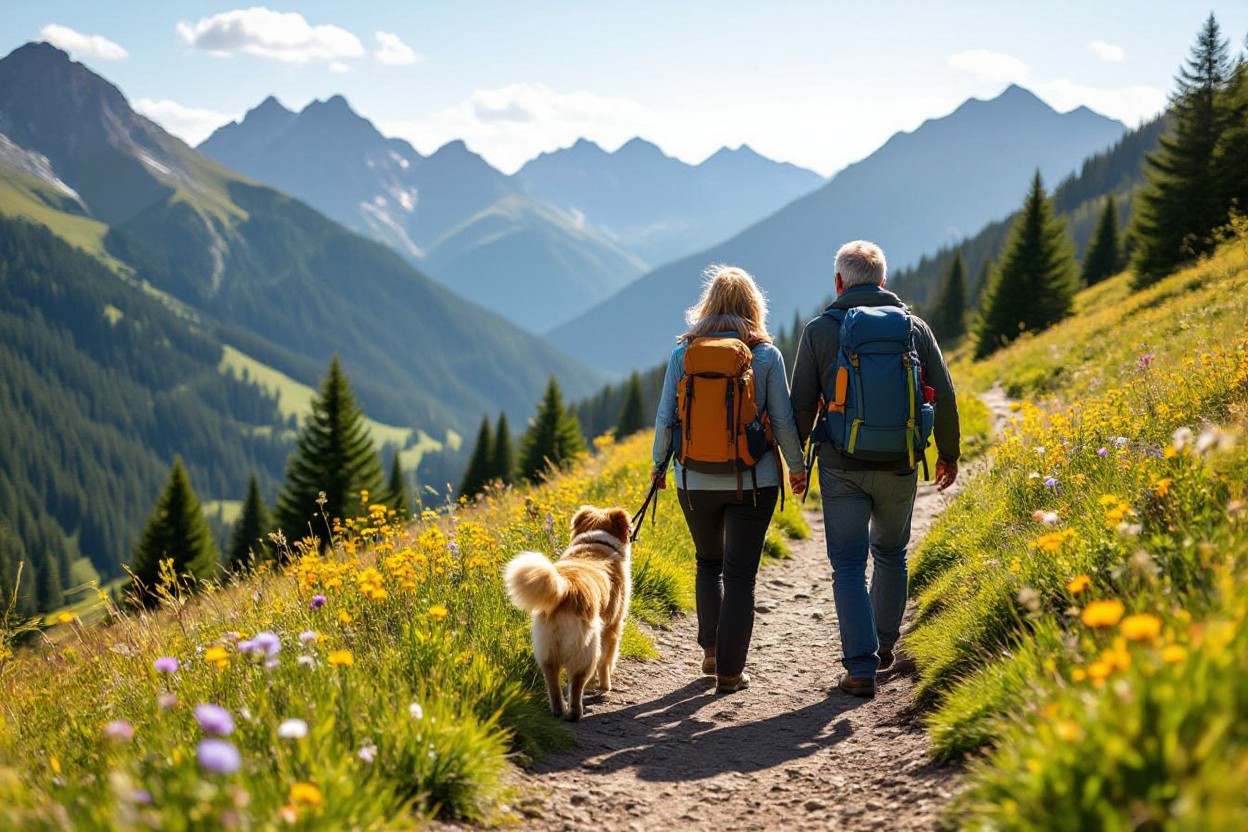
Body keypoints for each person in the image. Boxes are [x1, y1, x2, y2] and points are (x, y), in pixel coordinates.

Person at [790, 240, 960, 698]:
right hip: (901, 462)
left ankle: (860, 667)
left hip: (841, 464)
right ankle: (885, 647)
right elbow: (942, 392)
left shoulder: (820, 330)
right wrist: (949, 453)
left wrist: (796, 461)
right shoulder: (914, 328)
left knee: (847, 563)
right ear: (883, 281)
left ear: (839, 282)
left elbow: (801, 403)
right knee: (891, 553)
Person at [651, 265, 806, 694]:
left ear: (708, 305)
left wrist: (659, 466)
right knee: (740, 575)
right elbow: (783, 420)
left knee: (707, 562)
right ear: (754, 306)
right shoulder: (766, 355)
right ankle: (731, 673)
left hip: (694, 479)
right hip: (753, 480)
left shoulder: (684, 354)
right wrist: (796, 466)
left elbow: (666, 418)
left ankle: (711, 651)